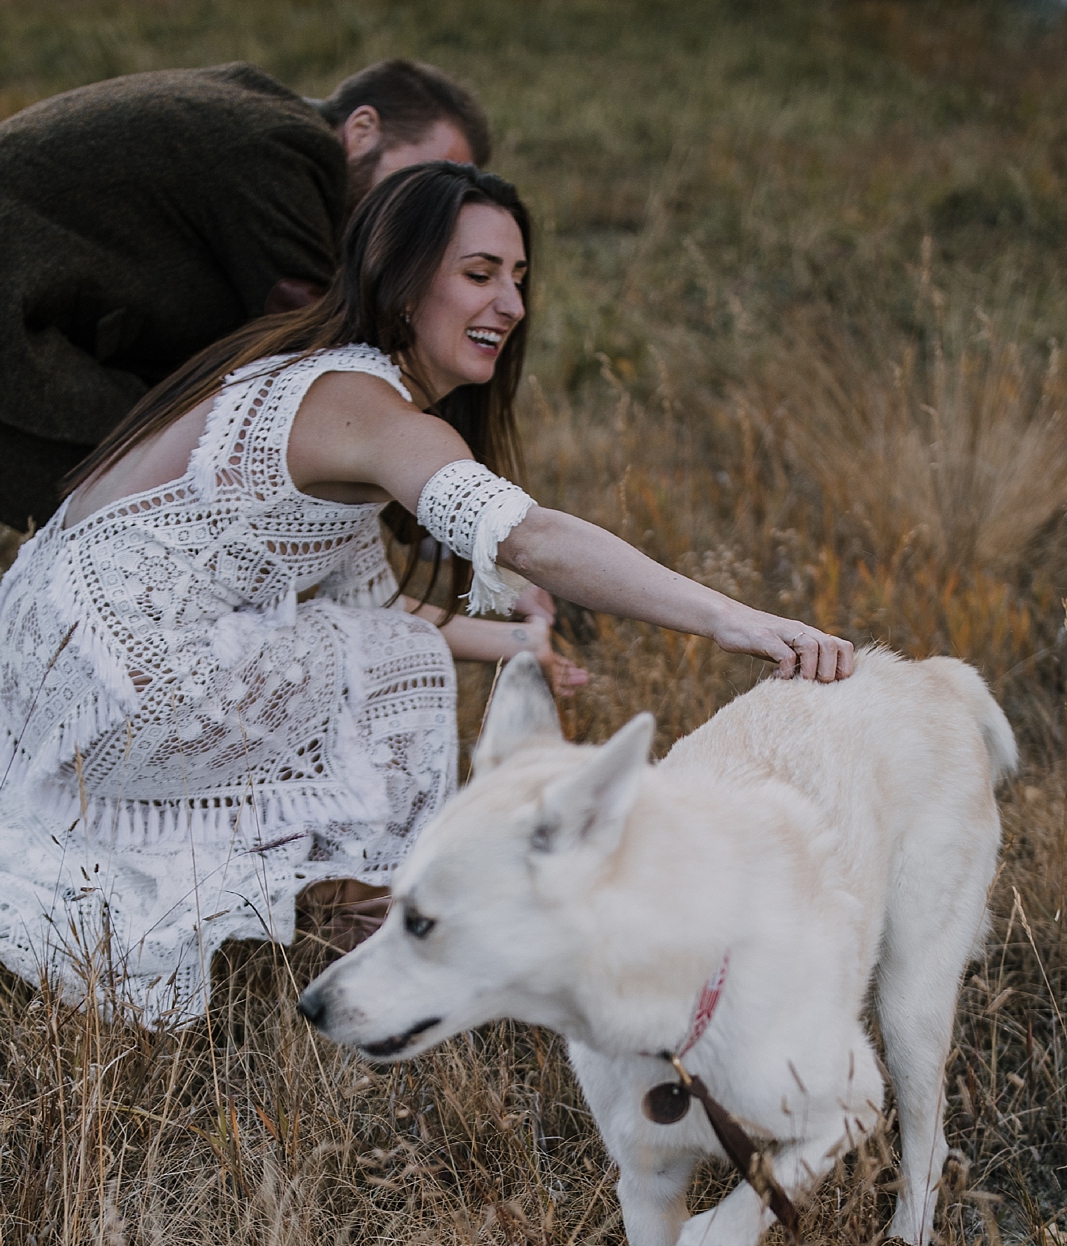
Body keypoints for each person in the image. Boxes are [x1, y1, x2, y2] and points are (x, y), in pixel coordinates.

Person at [0, 161, 852, 1026]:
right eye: (478, 275)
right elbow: (529, 537)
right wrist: (730, 620)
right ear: (403, 287)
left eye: (518, 280)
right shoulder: (364, 407)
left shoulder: (327, 384)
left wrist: (515, 645)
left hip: (54, 667)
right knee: (398, 669)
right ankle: (378, 911)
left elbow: (364, 611)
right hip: (111, 680)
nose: (511, 306)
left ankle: (346, 900)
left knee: (372, 649)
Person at [0, 58, 488, 533]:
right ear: (362, 129)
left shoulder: (262, 120)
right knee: (136, 505)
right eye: (419, 182)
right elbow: (323, 346)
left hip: (38, 310)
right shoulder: (288, 148)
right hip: (15, 322)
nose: (429, 218)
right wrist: (446, 512)